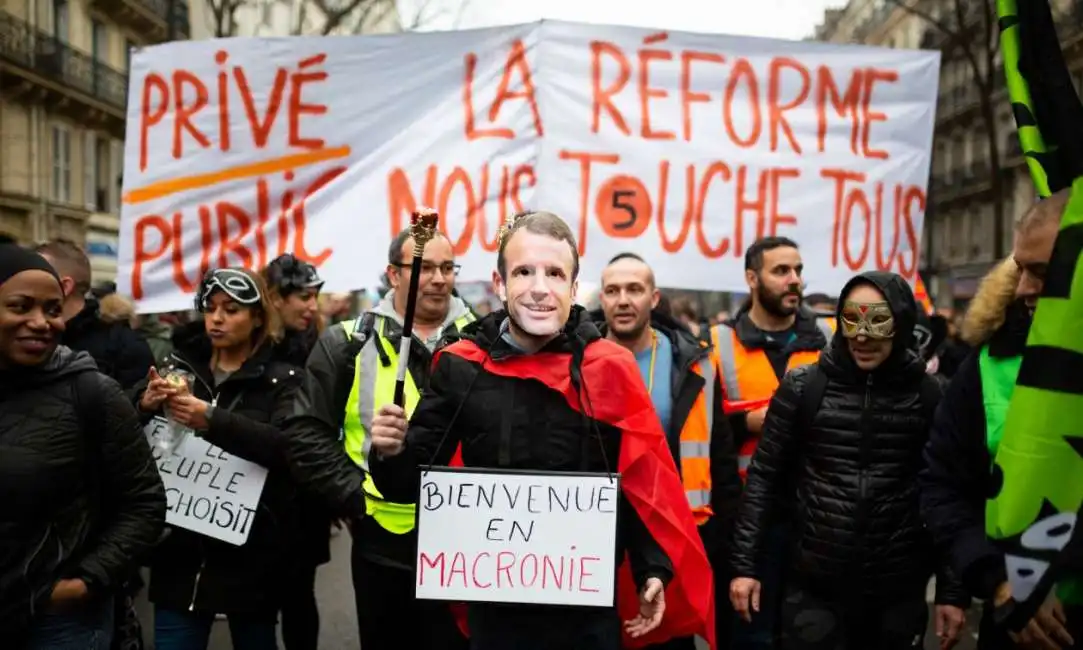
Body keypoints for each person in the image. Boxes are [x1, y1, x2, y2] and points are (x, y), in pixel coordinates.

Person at [366, 211, 714, 650]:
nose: (538, 288)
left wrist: (651, 569)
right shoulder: (461, 366)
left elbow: (639, 484)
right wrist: (389, 449)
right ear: (499, 283)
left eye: (554, 273)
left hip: (586, 617)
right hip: (496, 614)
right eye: (523, 272)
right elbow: (404, 485)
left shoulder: (606, 368)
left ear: (572, 288)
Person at [729, 270, 969, 650]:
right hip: (813, 592)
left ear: (901, 322)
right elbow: (764, 478)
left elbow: (950, 492)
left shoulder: (929, 396)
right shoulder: (803, 387)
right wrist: (745, 566)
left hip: (896, 595)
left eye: (877, 321)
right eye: (852, 320)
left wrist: (953, 591)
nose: (862, 335)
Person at [283, 228, 474, 650]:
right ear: (393, 274)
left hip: (466, 544)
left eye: (448, 267)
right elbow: (305, 434)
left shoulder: (487, 340)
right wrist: (354, 497)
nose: (440, 279)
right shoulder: (346, 342)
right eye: (425, 267)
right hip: (381, 544)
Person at [919, 189, 1079, 650]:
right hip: (1015, 626)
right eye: (1020, 268)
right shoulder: (987, 366)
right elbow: (943, 485)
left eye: (1043, 272)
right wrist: (1002, 583)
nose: (1025, 287)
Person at [0, 245, 166, 648]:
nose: (40, 322)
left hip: (55, 623)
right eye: (21, 307)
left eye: (53, 310)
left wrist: (85, 582)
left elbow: (144, 503)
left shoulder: (91, 391)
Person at [135, 267, 303, 650]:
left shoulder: (284, 378)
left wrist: (212, 420)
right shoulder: (178, 368)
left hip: (250, 560)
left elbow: (289, 447)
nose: (217, 318)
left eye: (231, 309)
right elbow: (127, 437)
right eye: (210, 308)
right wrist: (143, 405)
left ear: (257, 316)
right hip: (178, 558)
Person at [595, 252, 741, 649]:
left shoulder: (693, 365)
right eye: (612, 290)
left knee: (668, 640)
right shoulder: (579, 359)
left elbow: (720, 459)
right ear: (601, 299)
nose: (623, 300)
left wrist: (733, 553)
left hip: (673, 534)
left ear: (654, 299)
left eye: (634, 289)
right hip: (600, 539)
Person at [708, 236, 834, 649]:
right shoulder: (717, 344)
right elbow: (702, 428)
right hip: (750, 523)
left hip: (819, 519)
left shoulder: (832, 339)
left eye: (797, 270)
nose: (794, 280)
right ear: (752, 278)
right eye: (781, 271)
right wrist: (748, 421)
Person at [261, 253, 328, 650]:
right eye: (303, 296)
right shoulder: (251, 350)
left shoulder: (321, 347)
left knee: (300, 595)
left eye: (315, 296)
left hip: (304, 501)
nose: (312, 306)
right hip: (257, 495)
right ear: (274, 298)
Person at [36, 239, 154, 388]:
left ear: (65, 286)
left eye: (36, 275)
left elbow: (139, 405)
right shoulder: (28, 337)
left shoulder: (124, 346)